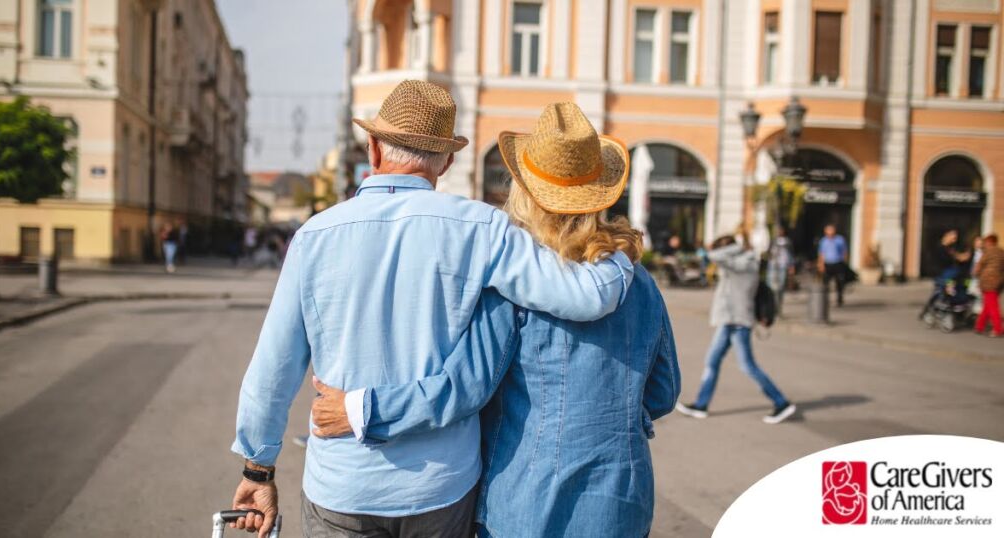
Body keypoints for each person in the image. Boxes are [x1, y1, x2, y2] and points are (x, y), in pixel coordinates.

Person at [228, 82, 634, 538]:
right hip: (440, 487)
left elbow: (271, 371)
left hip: (343, 486)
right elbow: (586, 297)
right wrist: (619, 251)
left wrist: (257, 470)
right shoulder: (482, 229)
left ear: (373, 149)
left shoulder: (314, 236)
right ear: (447, 162)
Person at [310, 102, 680, 537]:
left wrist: (362, 409)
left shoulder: (516, 285)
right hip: (621, 500)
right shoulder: (638, 283)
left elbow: (462, 389)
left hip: (527, 497)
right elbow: (662, 392)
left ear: (524, 189)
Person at [676, 233, 796, 424]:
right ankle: (701, 405)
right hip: (729, 321)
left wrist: (732, 248)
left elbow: (714, 256)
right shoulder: (736, 263)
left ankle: (781, 403)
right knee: (712, 361)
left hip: (738, 322)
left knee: (747, 366)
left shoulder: (744, 264)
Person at [973, 233, 1003, 337]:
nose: (984, 244)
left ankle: (997, 329)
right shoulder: (1001, 252)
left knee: (993, 307)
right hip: (999, 282)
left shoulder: (987, 252)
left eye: (985, 242)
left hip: (987, 282)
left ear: (989, 242)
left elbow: (978, 267)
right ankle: (979, 327)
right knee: (988, 305)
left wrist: (975, 274)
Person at [817, 224, 848, 307]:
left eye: (831, 230)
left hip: (838, 262)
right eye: (828, 230)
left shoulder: (840, 240)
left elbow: (844, 251)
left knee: (839, 282)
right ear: (825, 232)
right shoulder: (823, 241)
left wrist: (844, 262)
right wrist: (821, 264)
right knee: (825, 283)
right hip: (827, 263)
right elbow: (821, 253)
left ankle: (839, 299)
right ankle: (825, 300)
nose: (830, 232)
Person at [767, 227, 794, 316]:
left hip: (783, 266)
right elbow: (768, 253)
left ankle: (779, 308)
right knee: (771, 288)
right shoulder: (772, 241)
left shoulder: (788, 242)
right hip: (773, 266)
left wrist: (791, 266)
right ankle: (772, 307)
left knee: (781, 287)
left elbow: (791, 254)